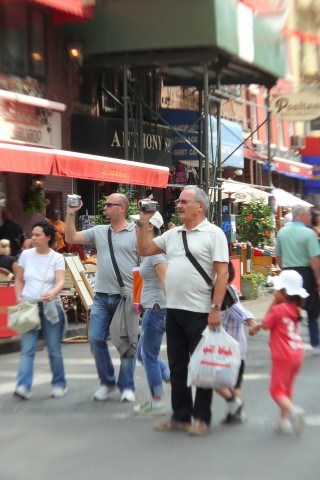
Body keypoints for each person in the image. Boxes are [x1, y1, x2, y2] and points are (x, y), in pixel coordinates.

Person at [136, 185, 229, 436]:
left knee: (202, 367)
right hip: (173, 310)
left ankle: (201, 419)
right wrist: (144, 222)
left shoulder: (214, 234)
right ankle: (180, 415)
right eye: (178, 202)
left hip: (200, 311)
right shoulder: (172, 234)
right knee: (178, 367)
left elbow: (223, 274)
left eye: (184, 201)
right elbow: (144, 250)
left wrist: (216, 308)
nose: (178, 205)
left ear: (200, 206)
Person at [65, 193, 138, 403]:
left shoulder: (135, 231)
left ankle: (127, 386)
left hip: (125, 297)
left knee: (126, 343)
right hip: (102, 297)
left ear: (122, 208)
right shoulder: (99, 231)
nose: (104, 207)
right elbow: (71, 238)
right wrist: (70, 213)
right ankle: (107, 382)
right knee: (96, 339)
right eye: (104, 204)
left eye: (109, 205)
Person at [249, 270, 308, 436]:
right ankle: (283, 422)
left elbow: (266, 323)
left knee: (276, 391)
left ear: (283, 292)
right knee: (287, 388)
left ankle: (293, 413)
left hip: (283, 355)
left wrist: (275, 301)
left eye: (277, 289)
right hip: (297, 354)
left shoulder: (279, 309)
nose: (274, 292)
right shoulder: (295, 309)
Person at [14, 221, 67, 400]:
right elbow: (19, 279)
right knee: (27, 349)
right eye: (32, 234)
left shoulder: (57, 258)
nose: (33, 238)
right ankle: (23, 386)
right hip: (29, 306)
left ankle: (59, 384)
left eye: (37, 235)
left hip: (50, 307)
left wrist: (53, 292)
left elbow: (60, 280)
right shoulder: (26, 255)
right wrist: (18, 297)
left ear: (48, 237)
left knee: (53, 349)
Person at [131, 211, 170, 416]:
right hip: (153, 309)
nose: (135, 228)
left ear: (150, 227)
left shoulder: (155, 252)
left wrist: (171, 310)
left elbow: (166, 281)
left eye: (138, 224)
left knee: (148, 356)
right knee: (142, 354)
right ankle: (170, 375)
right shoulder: (149, 251)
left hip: (156, 310)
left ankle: (156, 400)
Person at [275, 204, 320, 355]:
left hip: (288, 273)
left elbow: (278, 257)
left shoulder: (282, 232)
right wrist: (318, 279)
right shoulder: (309, 234)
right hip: (306, 273)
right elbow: (314, 259)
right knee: (312, 310)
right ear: (301, 215)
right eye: (308, 215)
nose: (310, 217)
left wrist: (284, 271)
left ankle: (287, 341)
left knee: (289, 309)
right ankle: (315, 343)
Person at [215, 262, 256, 424]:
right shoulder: (230, 291)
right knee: (235, 385)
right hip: (236, 350)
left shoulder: (226, 296)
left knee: (212, 378)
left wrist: (252, 323)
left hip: (231, 352)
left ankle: (234, 405)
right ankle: (236, 412)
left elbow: (241, 312)